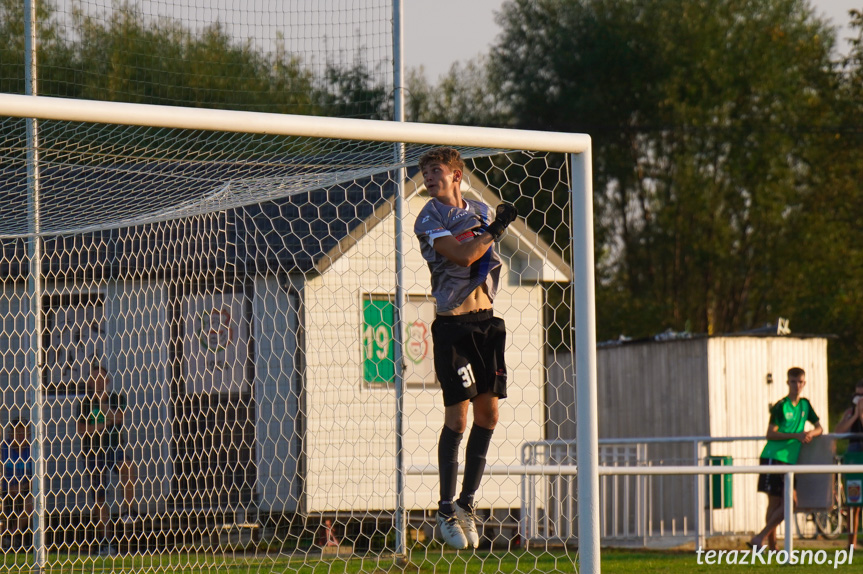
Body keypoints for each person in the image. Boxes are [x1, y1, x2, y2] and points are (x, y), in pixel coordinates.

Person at [413, 147, 518, 550]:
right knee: (457, 420)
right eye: (425, 172)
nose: (428, 178)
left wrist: (493, 226)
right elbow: (461, 254)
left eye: (435, 170)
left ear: (456, 175)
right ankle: (443, 510)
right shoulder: (429, 217)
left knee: (489, 415)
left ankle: (467, 504)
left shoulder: (476, 208)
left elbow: (486, 256)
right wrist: (496, 229)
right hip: (454, 327)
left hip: (488, 324)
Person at [748, 367, 823, 550]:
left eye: (800, 382)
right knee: (777, 502)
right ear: (787, 382)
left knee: (790, 502)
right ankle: (770, 545)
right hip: (774, 457)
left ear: (804, 383)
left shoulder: (805, 405)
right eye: (793, 381)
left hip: (790, 461)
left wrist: (810, 434)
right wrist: (796, 435)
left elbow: (819, 427)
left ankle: (760, 538)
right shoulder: (781, 406)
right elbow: (770, 434)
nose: (796, 385)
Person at [76, 363, 138, 555]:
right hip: (93, 452)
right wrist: (104, 424)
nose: (97, 382)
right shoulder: (84, 403)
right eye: (93, 379)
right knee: (99, 498)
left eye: (100, 379)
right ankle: (105, 541)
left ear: (107, 381)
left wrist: (101, 409)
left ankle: (128, 510)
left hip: (113, 447)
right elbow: (81, 430)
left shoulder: (117, 398)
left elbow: (118, 418)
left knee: (127, 466)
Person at [835, 379, 863, 549]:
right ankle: (851, 543)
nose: (859, 398)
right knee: (854, 501)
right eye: (857, 394)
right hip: (854, 457)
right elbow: (838, 431)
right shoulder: (849, 412)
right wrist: (854, 416)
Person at [1, 416, 33, 550]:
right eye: (17, 432)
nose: (20, 436)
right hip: (5, 489)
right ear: (10, 433)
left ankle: (12, 535)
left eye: (23, 432)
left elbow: (36, 479)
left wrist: (22, 486)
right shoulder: (3, 449)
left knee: (31, 503)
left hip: (23, 489)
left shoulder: (32, 450)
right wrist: (8, 487)